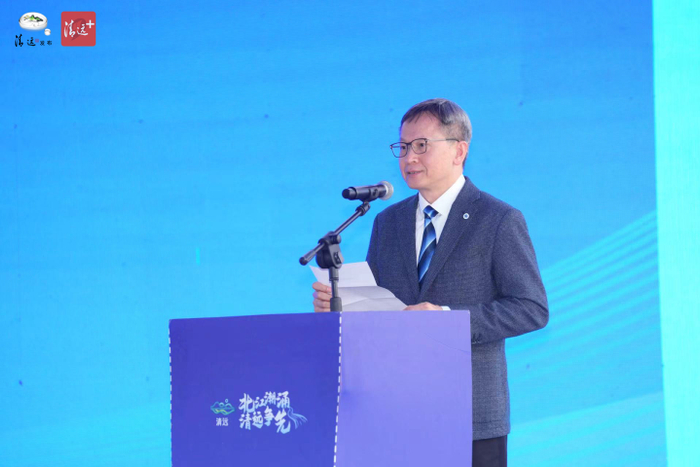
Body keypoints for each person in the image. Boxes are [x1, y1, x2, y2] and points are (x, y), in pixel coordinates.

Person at [312, 98, 548, 466]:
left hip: (471, 414)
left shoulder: (498, 219)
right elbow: (379, 305)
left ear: (459, 151)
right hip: (398, 410)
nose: (409, 158)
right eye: (403, 147)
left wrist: (447, 319)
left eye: (421, 145)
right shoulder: (388, 222)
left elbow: (531, 308)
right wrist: (340, 307)